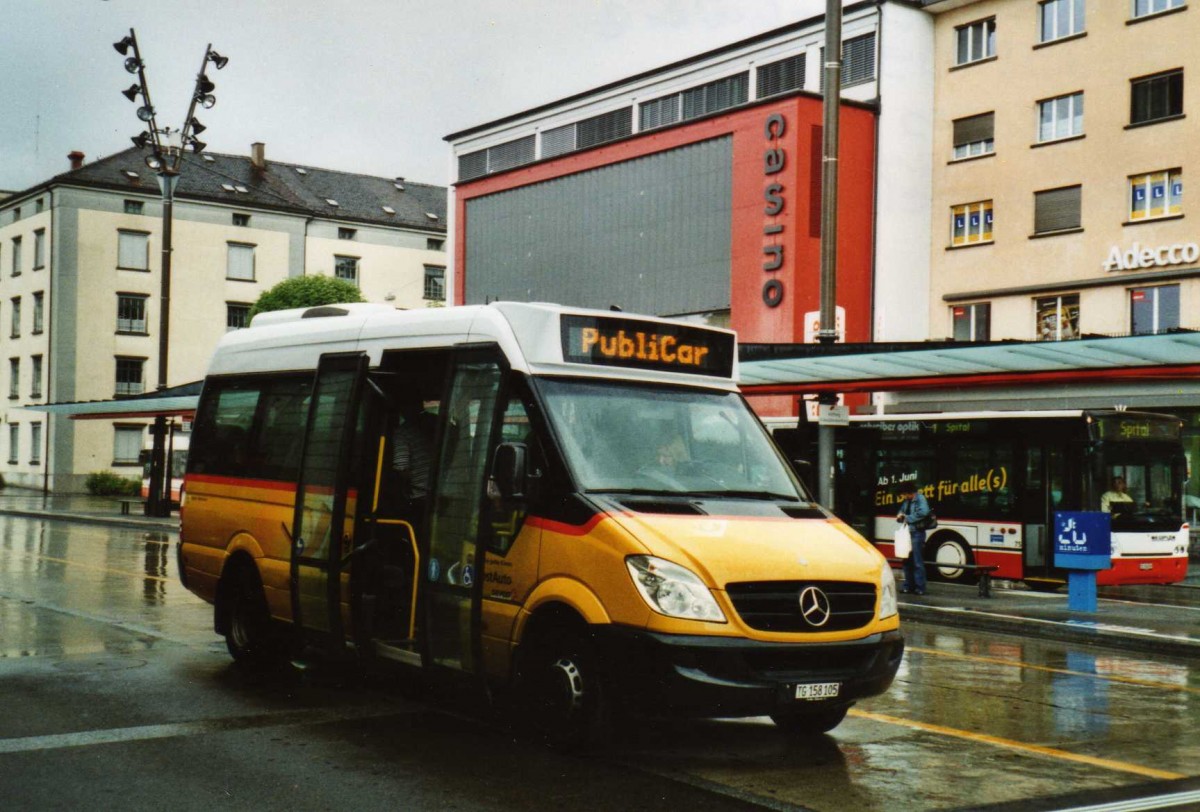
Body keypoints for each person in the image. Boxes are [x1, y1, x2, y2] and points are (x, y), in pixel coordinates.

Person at [896, 481, 931, 595]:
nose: (904, 497)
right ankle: (908, 586)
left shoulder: (920, 499)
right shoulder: (907, 501)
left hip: (917, 533)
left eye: (905, 494)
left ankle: (920, 587)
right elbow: (901, 510)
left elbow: (924, 512)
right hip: (908, 533)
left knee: (917, 561)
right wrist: (900, 515)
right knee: (906, 560)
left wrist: (907, 518)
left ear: (910, 492)